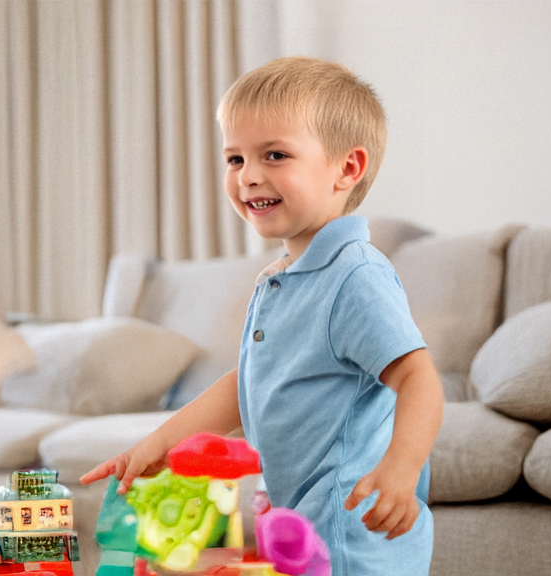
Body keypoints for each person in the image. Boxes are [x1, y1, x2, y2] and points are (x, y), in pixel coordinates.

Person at [81, 56, 444, 576]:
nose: (249, 176)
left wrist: (400, 471)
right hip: (296, 525)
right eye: (235, 160)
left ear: (346, 168)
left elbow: (418, 377)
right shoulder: (284, 278)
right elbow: (248, 383)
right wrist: (159, 444)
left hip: (350, 531)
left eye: (274, 155)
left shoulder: (354, 275)